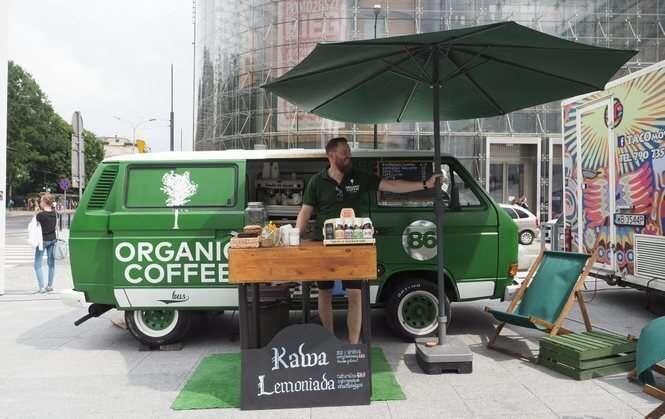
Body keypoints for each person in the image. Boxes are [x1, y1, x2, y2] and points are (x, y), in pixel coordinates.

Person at [295, 137, 443, 344]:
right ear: (331, 156)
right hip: (325, 244)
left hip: (354, 245)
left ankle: (353, 344)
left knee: (355, 293)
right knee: (324, 291)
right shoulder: (317, 181)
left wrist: (425, 184)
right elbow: (305, 211)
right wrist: (295, 236)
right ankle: (328, 340)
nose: (349, 155)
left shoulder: (359, 176)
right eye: (344, 152)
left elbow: (391, 185)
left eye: (349, 151)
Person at [33, 193, 58, 293]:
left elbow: (34, 225)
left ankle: (41, 287)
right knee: (51, 263)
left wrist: (36, 213)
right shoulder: (54, 213)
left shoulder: (41, 215)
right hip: (52, 239)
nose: (40, 203)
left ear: (44, 202)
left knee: (37, 263)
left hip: (43, 241)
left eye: (41, 201)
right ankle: (50, 285)